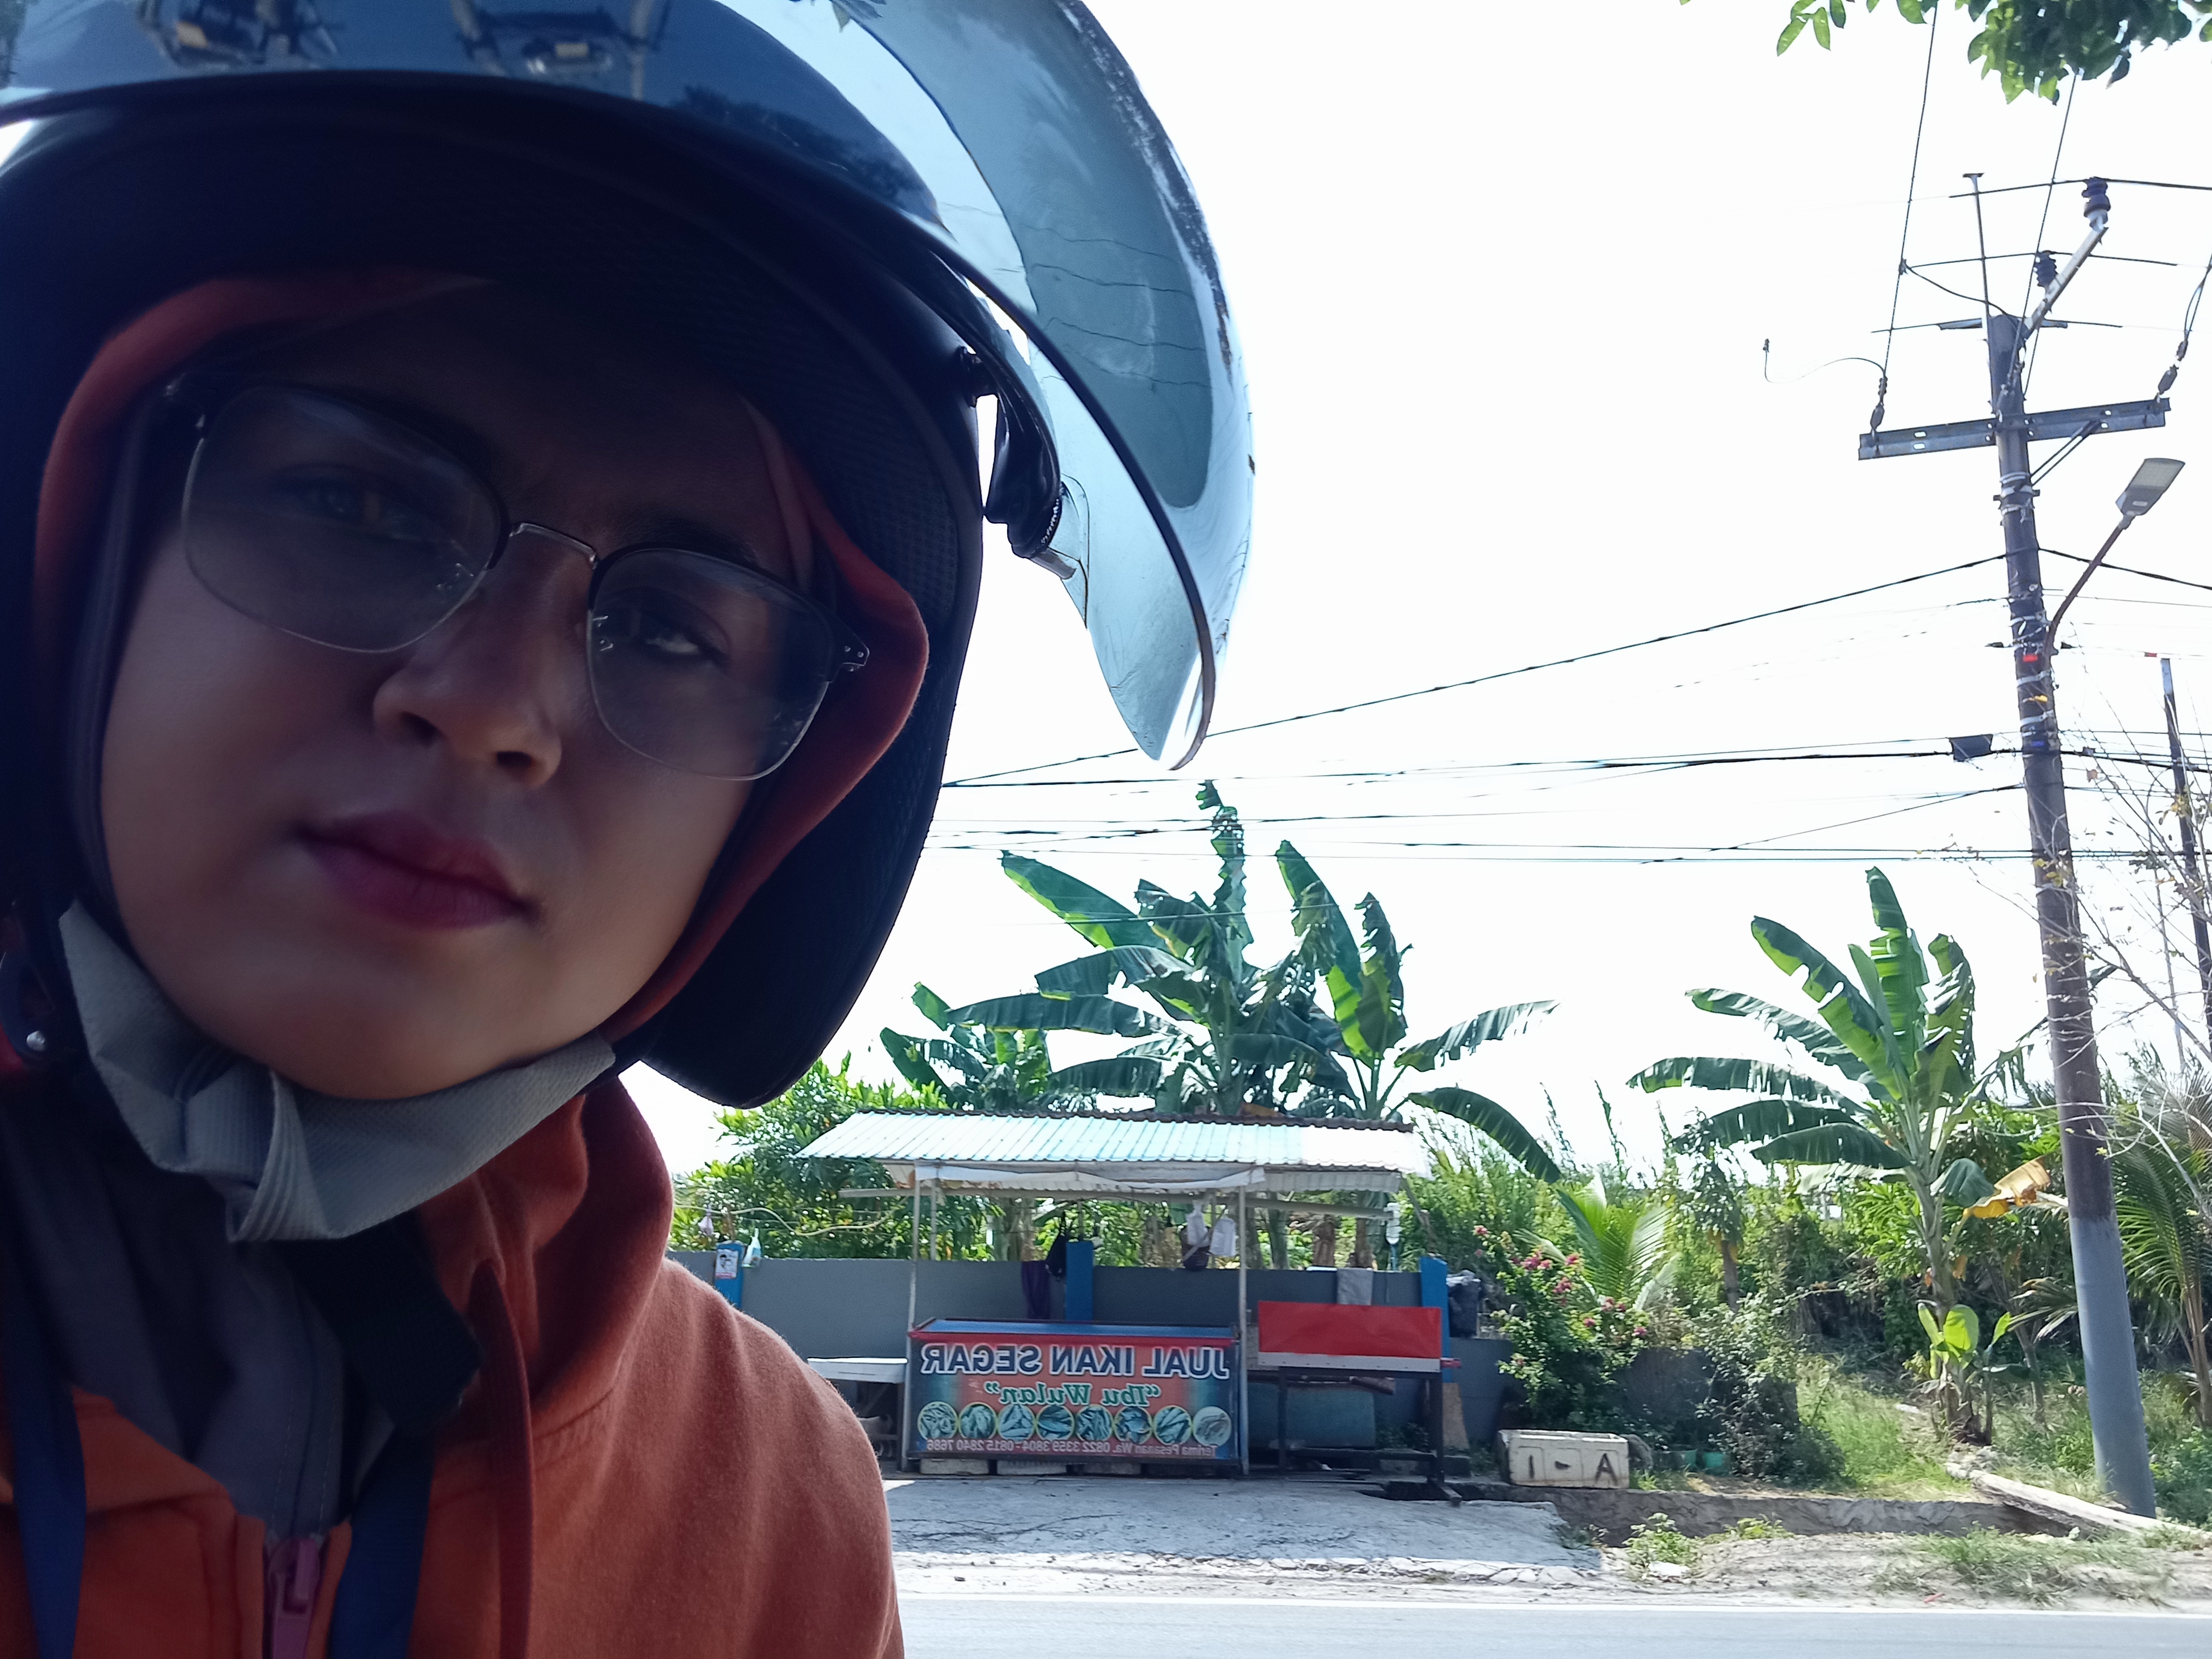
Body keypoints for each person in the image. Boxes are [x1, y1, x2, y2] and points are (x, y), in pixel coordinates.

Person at [0, 5, 1251, 1657]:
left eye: (671, 631)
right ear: (70, 552)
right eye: (362, 505)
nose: (492, 709)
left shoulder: (772, 1502)